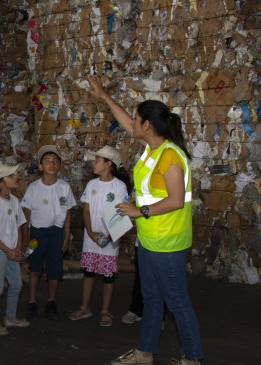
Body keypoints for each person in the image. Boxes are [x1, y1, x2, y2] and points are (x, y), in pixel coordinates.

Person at [87, 75, 202, 365]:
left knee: (176, 302)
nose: (132, 124)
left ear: (147, 125)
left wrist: (140, 211)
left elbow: (175, 200)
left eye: (137, 120)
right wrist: (103, 96)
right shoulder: (152, 150)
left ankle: (192, 358)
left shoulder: (171, 157)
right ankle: (144, 352)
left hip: (168, 242)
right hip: (149, 239)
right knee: (151, 299)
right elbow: (126, 122)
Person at [68, 146, 131, 327]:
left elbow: (122, 212)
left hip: (111, 238)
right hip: (92, 237)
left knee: (108, 275)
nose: (93, 163)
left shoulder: (119, 186)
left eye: (97, 160)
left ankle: (105, 310)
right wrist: (91, 232)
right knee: (88, 273)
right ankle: (85, 307)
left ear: (108, 164)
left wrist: (110, 236)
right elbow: (86, 210)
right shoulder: (92, 185)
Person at [21, 145, 77, 320]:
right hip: (37, 233)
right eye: (47, 161)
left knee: (54, 268)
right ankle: (32, 301)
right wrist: (25, 237)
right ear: (40, 166)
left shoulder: (64, 187)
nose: (51, 164)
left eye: (55, 162)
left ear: (59, 166)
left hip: (56, 233)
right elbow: (27, 214)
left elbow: (68, 213)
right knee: (35, 267)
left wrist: (67, 236)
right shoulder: (33, 188)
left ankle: (52, 301)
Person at [0, 160, 30, 336]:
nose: (16, 177)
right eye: (11, 176)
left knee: (17, 284)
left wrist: (18, 247)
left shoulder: (14, 200)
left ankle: (10, 316)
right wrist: (7, 250)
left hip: (12, 250)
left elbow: (18, 225)